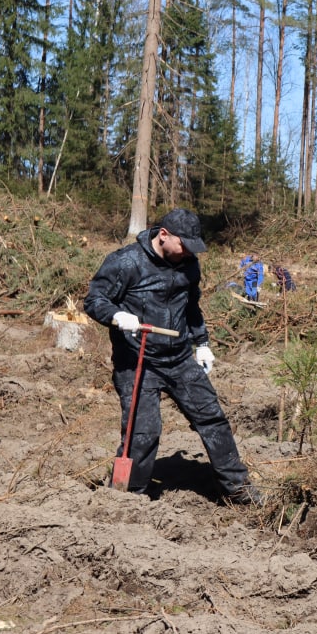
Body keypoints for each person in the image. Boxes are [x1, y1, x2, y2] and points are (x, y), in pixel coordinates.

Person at [84, 208, 262, 506]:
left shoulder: (188, 264)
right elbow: (94, 300)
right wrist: (116, 315)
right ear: (163, 236)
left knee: (213, 419)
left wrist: (202, 343)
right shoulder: (126, 262)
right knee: (143, 433)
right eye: (184, 245)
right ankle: (128, 501)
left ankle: (239, 490)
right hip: (138, 360)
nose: (189, 253)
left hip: (179, 358)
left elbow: (191, 307)